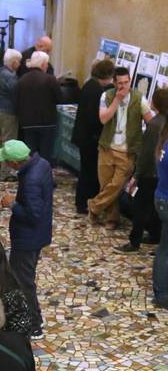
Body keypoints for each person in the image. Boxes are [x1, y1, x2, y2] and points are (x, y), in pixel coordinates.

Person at [0, 140, 54, 340]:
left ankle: (34, 325)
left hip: (27, 239)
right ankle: (33, 317)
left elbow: (33, 214)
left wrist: (12, 204)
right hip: (39, 235)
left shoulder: (30, 180)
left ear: (15, 162)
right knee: (23, 277)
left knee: (22, 281)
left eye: (7, 161)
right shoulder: (42, 164)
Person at [88, 66, 156, 230]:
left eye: (126, 82)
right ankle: (112, 218)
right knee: (106, 185)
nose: (123, 86)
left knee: (117, 185)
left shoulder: (139, 99)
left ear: (130, 81)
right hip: (107, 148)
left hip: (127, 151)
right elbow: (103, 119)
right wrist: (117, 100)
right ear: (114, 82)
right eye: (120, 83)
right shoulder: (107, 96)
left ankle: (93, 206)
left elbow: (151, 121)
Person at [115, 87, 167, 252]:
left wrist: (136, 175)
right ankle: (155, 235)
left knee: (140, 206)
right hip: (161, 174)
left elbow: (146, 154)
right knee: (153, 208)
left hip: (148, 173)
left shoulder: (154, 124)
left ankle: (134, 241)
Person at [71, 58, 115, 214]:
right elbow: (94, 118)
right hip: (90, 138)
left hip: (84, 136)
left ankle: (83, 202)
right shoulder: (97, 91)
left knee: (86, 170)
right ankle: (86, 202)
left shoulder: (90, 85)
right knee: (90, 172)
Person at [16, 51, 61, 163]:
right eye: (46, 64)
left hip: (27, 123)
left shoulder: (22, 80)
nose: (47, 66)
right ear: (42, 65)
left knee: (30, 154)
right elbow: (60, 99)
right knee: (45, 155)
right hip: (47, 122)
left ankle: (30, 175)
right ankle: (43, 176)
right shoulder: (50, 79)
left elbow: (17, 100)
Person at [0, 49, 21, 178]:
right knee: (9, 143)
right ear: (14, 62)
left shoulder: (0, 72)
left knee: (1, 141)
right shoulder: (11, 76)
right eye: (18, 62)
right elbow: (17, 93)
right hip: (7, 112)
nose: (19, 64)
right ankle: (5, 173)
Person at [153, 117, 168, 309]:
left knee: (164, 247)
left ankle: (160, 290)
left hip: (161, 199)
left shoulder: (163, 143)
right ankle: (162, 292)